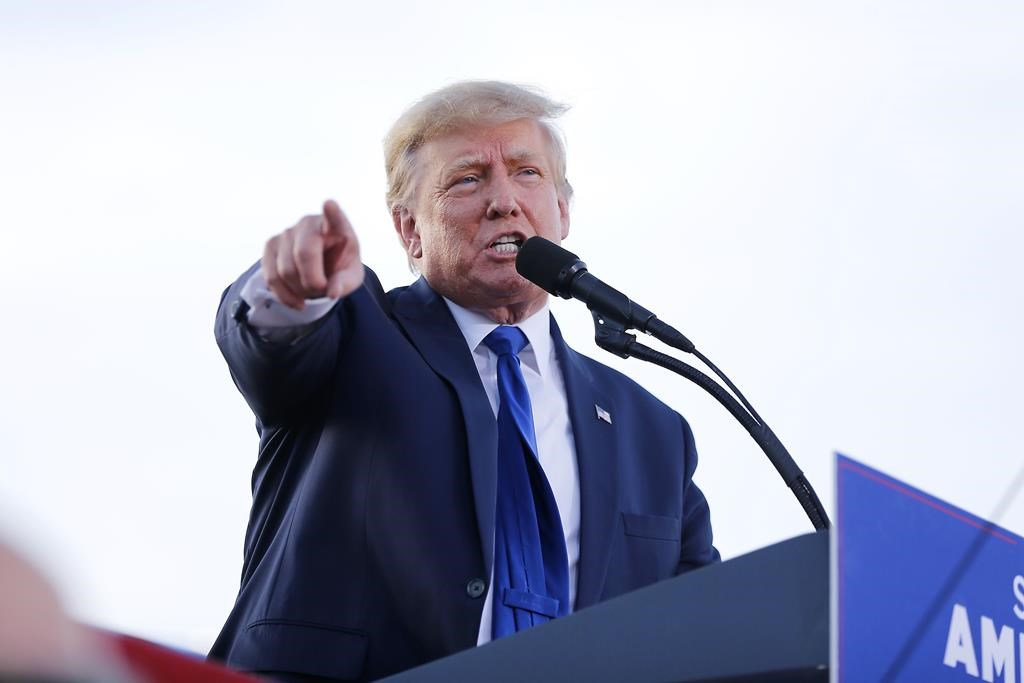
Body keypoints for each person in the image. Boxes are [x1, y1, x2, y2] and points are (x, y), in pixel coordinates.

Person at [209, 81, 719, 682]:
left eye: (527, 173)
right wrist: (294, 289)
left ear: (563, 210)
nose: (504, 201)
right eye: (468, 179)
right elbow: (270, 346)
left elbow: (706, 626)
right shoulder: (355, 329)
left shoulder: (653, 430)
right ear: (409, 231)